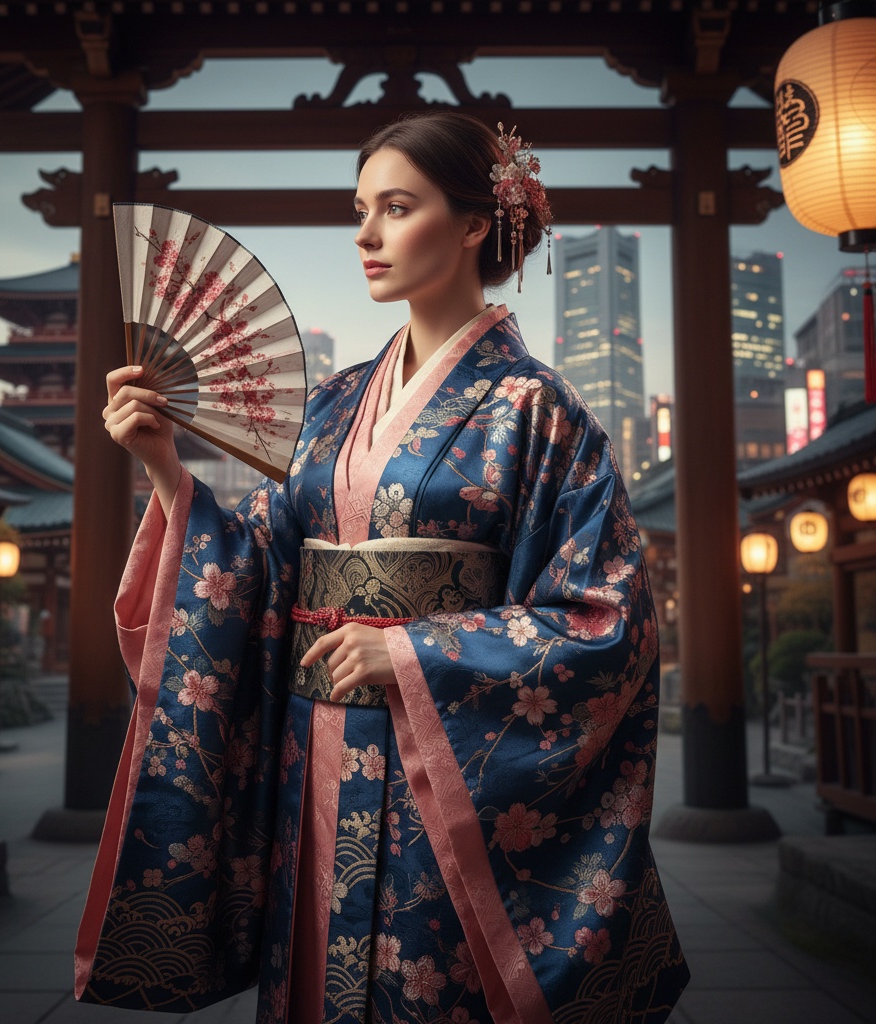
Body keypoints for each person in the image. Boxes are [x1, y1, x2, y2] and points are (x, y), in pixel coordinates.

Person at [77, 111, 689, 1023]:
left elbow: (607, 618)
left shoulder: (538, 411)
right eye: (360, 209)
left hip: (441, 779)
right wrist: (167, 467)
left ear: (475, 223)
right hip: (312, 758)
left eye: (396, 208)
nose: (365, 235)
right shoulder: (330, 406)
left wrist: (414, 654)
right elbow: (253, 567)